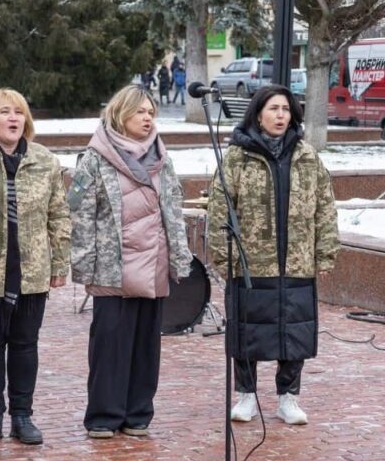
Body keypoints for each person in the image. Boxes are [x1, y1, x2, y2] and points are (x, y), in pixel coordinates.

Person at [209, 85, 339, 426]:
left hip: (297, 261)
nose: (280, 115)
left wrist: (324, 253)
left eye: (286, 109)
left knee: (294, 331)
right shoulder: (238, 157)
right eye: (273, 109)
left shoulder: (307, 156)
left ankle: (288, 397)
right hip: (252, 264)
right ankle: (246, 396)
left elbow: (325, 207)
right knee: (247, 330)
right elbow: (220, 210)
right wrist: (225, 259)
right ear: (258, 113)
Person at [69, 85, 193, 439]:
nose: (147, 118)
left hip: (152, 264)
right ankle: (104, 416)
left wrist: (179, 257)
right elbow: (80, 216)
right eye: (140, 112)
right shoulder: (94, 158)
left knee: (145, 344)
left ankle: (138, 413)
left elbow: (173, 209)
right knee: (110, 344)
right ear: (120, 114)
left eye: (151, 112)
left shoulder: (161, 158)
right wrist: (83, 266)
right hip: (111, 266)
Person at [0, 88, 71, 446]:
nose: (13, 119)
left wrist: (60, 261)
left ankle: (22, 415)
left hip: (31, 269)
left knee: (25, 345)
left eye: (19, 112)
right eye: (5, 112)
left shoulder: (45, 161)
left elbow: (58, 214)